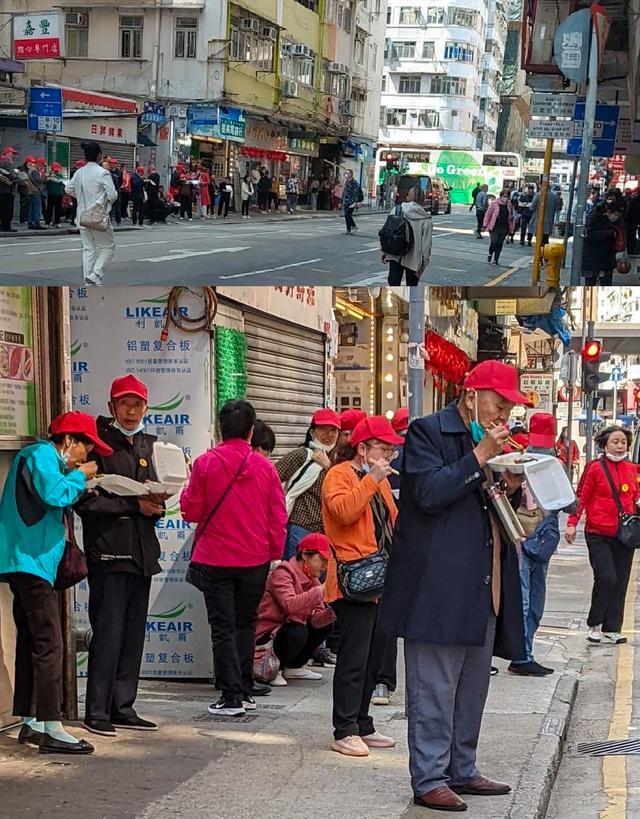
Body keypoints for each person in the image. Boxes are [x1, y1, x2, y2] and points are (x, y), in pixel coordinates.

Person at [379, 360, 529, 812]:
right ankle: (428, 777)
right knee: (434, 688)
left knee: (471, 687)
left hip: (483, 581)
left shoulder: (489, 443)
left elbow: (492, 505)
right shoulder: (428, 432)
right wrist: (480, 457)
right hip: (436, 585)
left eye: (509, 409)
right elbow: (427, 494)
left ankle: (462, 768)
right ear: (470, 396)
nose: (504, 416)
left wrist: (514, 483)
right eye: (499, 405)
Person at [0, 411, 111, 755]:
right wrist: (80, 476)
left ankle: (31, 719)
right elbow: (54, 494)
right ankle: (53, 726)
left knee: (34, 641)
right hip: (30, 561)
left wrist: (77, 476)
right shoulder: (39, 454)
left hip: (28, 562)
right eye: (86, 449)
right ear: (70, 441)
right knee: (50, 643)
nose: (87, 457)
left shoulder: (42, 458)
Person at [181, 400, 287, 717]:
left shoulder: (204, 464)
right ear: (251, 431)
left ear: (219, 429)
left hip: (215, 558)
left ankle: (230, 696)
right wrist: (275, 555)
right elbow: (277, 517)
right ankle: (244, 689)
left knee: (223, 627)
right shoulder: (265, 467)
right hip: (254, 559)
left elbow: (191, 511)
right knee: (245, 624)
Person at [74, 375, 166, 737]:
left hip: (142, 552)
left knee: (132, 634)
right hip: (109, 551)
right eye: (124, 404)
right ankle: (96, 710)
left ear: (146, 407)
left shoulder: (146, 444)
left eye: (137, 404)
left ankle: (123, 705)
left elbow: (153, 489)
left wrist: (157, 503)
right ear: (111, 407)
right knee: (109, 632)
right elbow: (85, 499)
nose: (131, 411)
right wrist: (132, 505)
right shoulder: (98, 447)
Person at [323, 415, 401, 757]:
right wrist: (371, 479)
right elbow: (343, 512)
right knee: (354, 657)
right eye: (382, 448)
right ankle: (345, 728)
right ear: (362, 448)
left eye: (389, 450)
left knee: (374, 657)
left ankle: (363, 723)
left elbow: (392, 521)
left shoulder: (379, 479)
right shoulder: (337, 475)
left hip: (381, 579)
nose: (386, 455)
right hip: (352, 579)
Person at [565, 426, 640, 646]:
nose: (619, 446)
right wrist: (571, 523)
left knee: (621, 581)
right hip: (597, 532)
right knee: (607, 577)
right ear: (604, 444)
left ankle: (612, 628)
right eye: (615, 442)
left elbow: (635, 498)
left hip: (624, 535)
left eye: (623, 442)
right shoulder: (595, 468)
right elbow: (582, 498)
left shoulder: (633, 469)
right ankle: (595, 623)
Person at [508, 413, 562, 677]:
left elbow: (568, 502)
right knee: (524, 601)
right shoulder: (516, 462)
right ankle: (520, 655)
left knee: (535, 604)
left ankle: (524, 651)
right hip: (520, 538)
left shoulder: (555, 465)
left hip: (542, 543)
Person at [256, 533, 337, 687]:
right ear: (305, 555)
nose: (325, 566)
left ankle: (294, 666)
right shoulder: (283, 572)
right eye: (322, 560)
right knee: (297, 630)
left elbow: (316, 621)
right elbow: (289, 605)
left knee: (324, 625)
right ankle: (276, 669)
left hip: (287, 632)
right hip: (267, 635)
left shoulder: (313, 580)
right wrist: (320, 591)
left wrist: (335, 611)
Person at [370, 406, 408, 708]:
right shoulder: (344, 474)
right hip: (362, 562)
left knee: (383, 620)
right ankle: (377, 682)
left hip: (387, 554)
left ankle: (381, 681)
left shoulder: (386, 473)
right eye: (383, 448)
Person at [276, 408, 341, 560]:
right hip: (300, 530)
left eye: (333, 430)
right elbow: (272, 477)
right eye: (323, 429)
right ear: (312, 432)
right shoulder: (302, 454)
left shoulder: (336, 461)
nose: (329, 435)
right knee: (296, 578)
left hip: (325, 534)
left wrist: (328, 466)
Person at [65, 142, 118, 287]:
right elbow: (112, 196)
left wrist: (81, 198)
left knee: (88, 249)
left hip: (82, 216)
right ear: (99, 156)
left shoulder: (79, 172)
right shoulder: (103, 173)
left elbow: (68, 189)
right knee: (108, 247)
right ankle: (96, 274)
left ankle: (89, 281)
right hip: (97, 216)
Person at [383, 185, 433, 285]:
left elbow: (388, 232)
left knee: (393, 285)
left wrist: (385, 251)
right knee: (412, 287)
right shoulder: (426, 220)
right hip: (414, 260)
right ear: (423, 200)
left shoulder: (397, 210)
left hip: (395, 254)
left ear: (408, 197)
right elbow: (426, 245)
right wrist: (424, 263)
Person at [581, 200, 618, 286]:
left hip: (605, 260)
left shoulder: (606, 218)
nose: (615, 216)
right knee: (590, 283)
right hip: (593, 259)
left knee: (606, 282)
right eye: (614, 214)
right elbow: (588, 235)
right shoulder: (593, 217)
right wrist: (609, 233)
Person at [484, 190, 516, 265]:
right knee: (494, 242)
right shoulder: (494, 203)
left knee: (499, 243)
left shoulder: (509, 205)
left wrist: (512, 228)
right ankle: (490, 253)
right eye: (504, 196)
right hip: (494, 227)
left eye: (507, 196)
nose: (505, 198)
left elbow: (512, 217)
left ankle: (496, 259)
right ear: (501, 196)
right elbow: (488, 214)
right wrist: (485, 224)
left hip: (504, 227)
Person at [0, 147, 18, 232]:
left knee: (4, 208)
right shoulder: (6, 162)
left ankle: (4, 225)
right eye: (12, 153)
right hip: (7, 189)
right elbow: (11, 175)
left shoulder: (3, 162)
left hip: (4, 190)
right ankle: (6, 226)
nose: (13, 155)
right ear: (7, 153)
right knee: (7, 209)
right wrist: (19, 178)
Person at [25, 156, 45, 230]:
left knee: (32, 209)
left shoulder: (31, 170)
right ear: (39, 164)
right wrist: (45, 177)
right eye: (42, 164)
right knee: (36, 208)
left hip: (31, 192)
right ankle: (36, 223)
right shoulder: (34, 171)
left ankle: (30, 223)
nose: (42, 166)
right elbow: (39, 180)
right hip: (35, 191)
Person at [43, 162, 65, 227]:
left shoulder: (60, 176)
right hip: (51, 194)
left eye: (57, 170)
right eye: (55, 170)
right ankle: (47, 222)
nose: (56, 171)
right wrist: (48, 177)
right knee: (49, 208)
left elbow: (62, 182)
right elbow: (44, 182)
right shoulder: (48, 175)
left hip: (59, 194)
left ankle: (57, 222)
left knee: (58, 209)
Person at [342, 169, 363, 235]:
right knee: (346, 215)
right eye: (345, 173)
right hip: (346, 201)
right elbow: (344, 192)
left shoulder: (354, 183)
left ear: (351, 174)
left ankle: (353, 226)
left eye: (347, 173)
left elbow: (356, 193)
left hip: (352, 202)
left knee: (348, 214)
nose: (346, 174)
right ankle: (348, 229)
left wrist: (355, 202)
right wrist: (341, 201)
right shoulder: (346, 182)